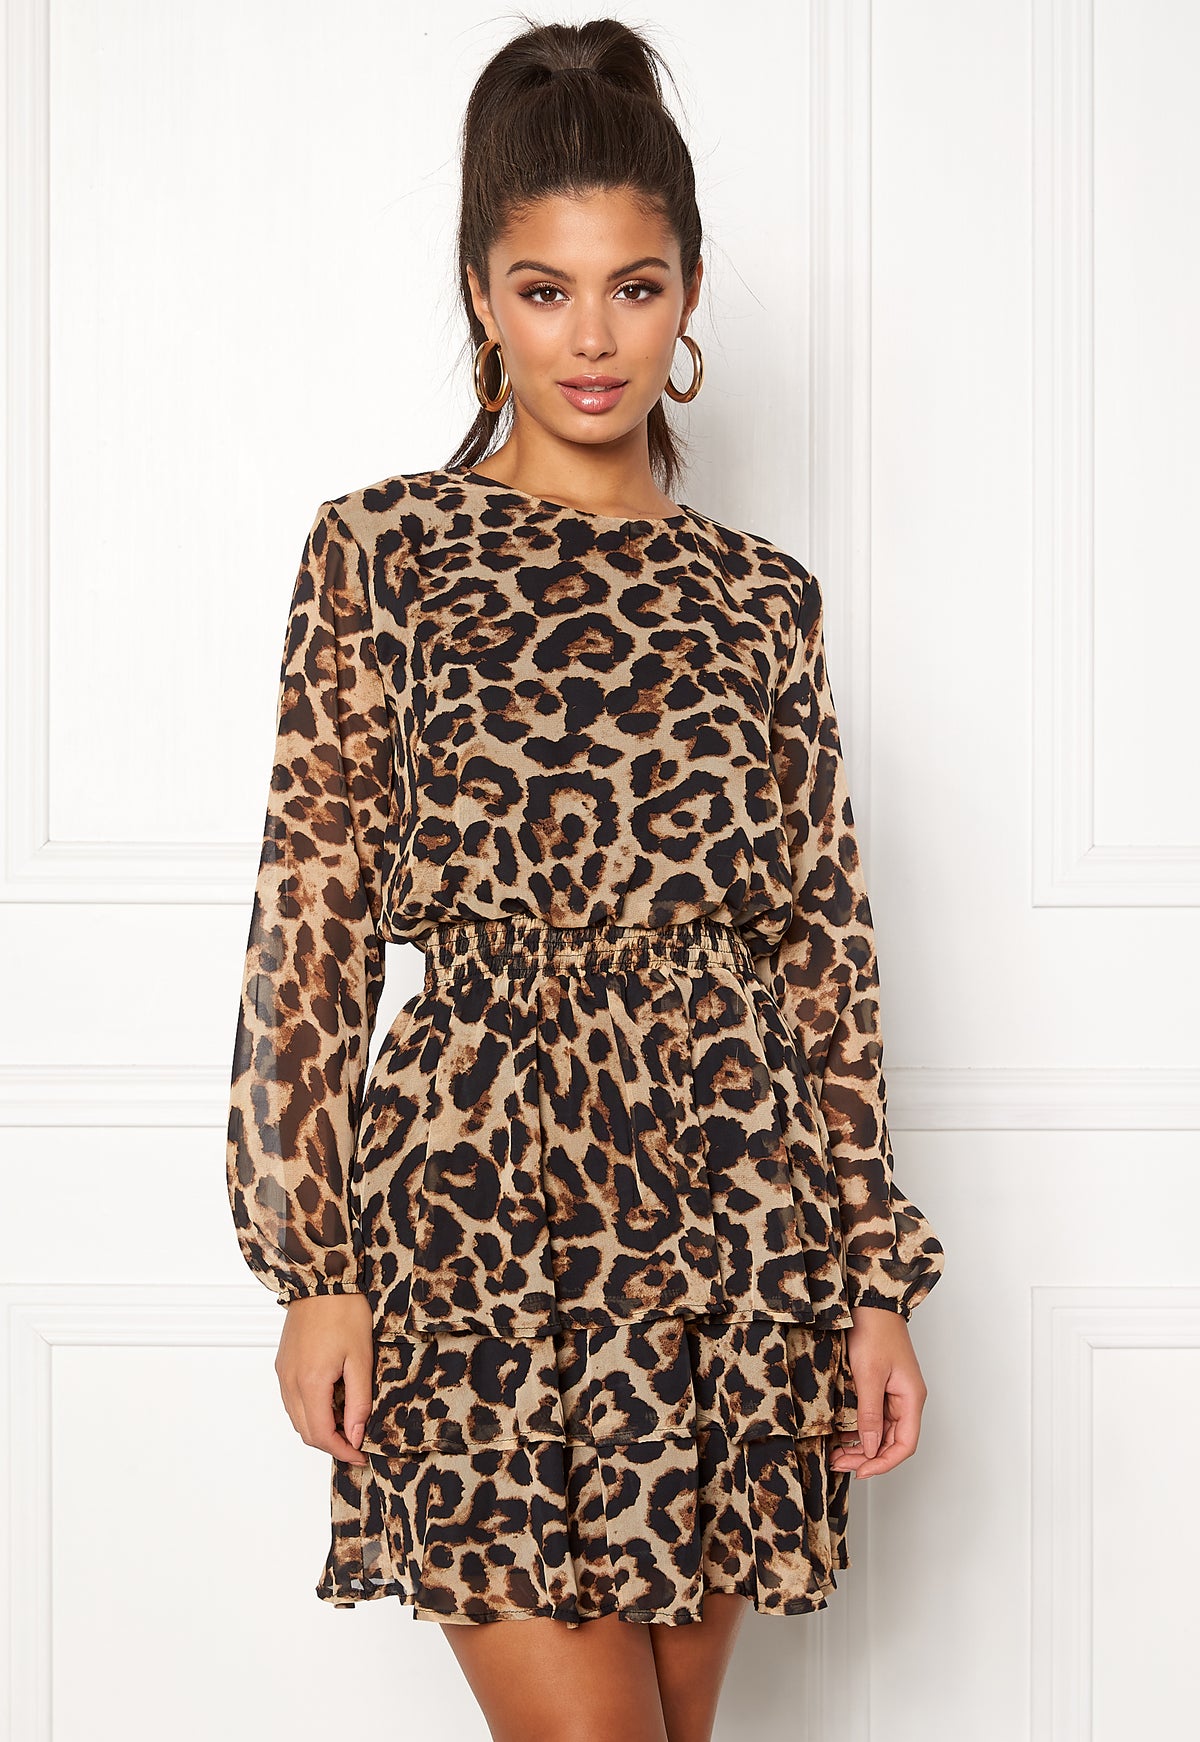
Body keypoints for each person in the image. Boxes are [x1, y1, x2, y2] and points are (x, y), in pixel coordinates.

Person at [225, 15, 946, 1740]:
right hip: (480, 1206)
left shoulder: (760, 597)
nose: (595, 337)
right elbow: (310, 914)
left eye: (635, 286)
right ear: (480, 294)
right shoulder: (383, 555)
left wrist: (869, 1280)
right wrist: (314, 1260)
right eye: (545, 290)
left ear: (689, 294)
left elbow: (823, 949)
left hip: (730, 1212)